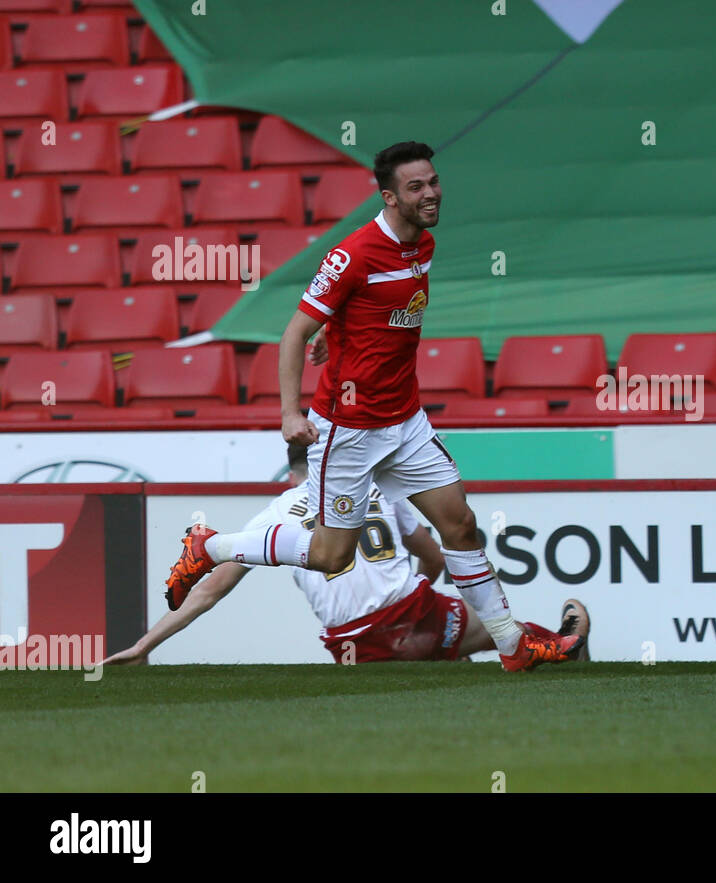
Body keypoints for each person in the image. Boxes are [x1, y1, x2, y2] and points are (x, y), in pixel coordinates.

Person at [162, 140, 584, 671]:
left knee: (460, 525)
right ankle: (211, 547)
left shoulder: (422, 245)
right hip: (349, 427)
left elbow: (366, 320)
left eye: (433, 182)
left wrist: (334, 335)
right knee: (331, 556)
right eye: (416, 187)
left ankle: (512, 646)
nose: (430, 193)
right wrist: (291, 414)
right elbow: (294, 333)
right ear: (389, 197)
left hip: (405, 421)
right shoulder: (352, 254)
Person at [111, 445, 592, 665]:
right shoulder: (377, 486)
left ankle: (442, 650)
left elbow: (210, 589)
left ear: (292, 474)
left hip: (350, 642)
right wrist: (426, 587)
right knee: (502, 636)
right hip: (410, 610)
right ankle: (569, 641)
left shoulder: (271, 515)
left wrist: (144, 646)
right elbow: (435, 558)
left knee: (435, 662)